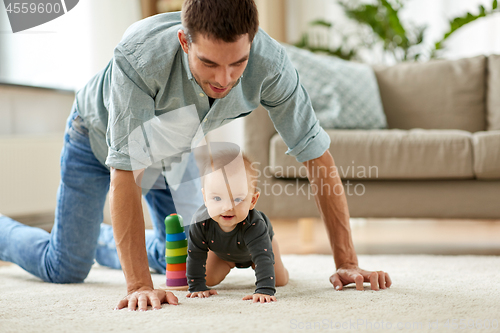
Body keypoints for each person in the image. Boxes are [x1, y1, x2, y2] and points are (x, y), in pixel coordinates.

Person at [0, 0, 391, 312]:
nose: (224, 79)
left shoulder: (272, 66)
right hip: (95, 136)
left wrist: (347, 261)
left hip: (171, 140)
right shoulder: (138, 57)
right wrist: (138, 286)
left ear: (251, 43)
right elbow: (126, 172)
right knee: (66, 267)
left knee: (187, 261)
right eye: (209, 63)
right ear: (185, 41)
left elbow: (317, 157)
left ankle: (94, 238)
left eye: (237, 63)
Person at [186, 149, 289, 303]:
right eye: (217, 198)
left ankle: (279, 263)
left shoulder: (255, 224)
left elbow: (263, 257)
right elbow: (195, 254)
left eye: (237, 199)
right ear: (205, 198)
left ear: (253, 201)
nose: (227, 207)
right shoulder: (200, 223)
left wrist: (264, 290)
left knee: (279, 280)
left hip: (261, 249)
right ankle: (228, 263)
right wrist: (196, 286)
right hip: (222, 254)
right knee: (209, 279)